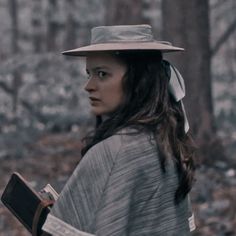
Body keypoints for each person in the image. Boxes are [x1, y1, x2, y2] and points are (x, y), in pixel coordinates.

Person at [42, 24, 196, 236]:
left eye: (102, 74)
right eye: (89, 74)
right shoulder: (164, 140)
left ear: (139, 79)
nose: (89, 85)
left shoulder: (114, 152)